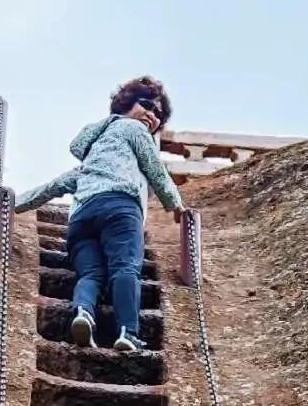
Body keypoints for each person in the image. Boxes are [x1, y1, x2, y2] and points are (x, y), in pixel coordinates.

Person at [13, 76, 184, 355]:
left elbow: (54, 186)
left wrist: (11, 206)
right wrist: (176, 205)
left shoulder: (91, 158)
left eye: (159, 115)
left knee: (91, 274)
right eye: (147, 105)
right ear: (127, 105)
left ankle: (83, 313)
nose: (152, 116)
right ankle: (128, 332)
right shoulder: (133, 128)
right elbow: (156, 169)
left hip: (81, 218)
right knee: (125, 267)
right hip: (120, 208)